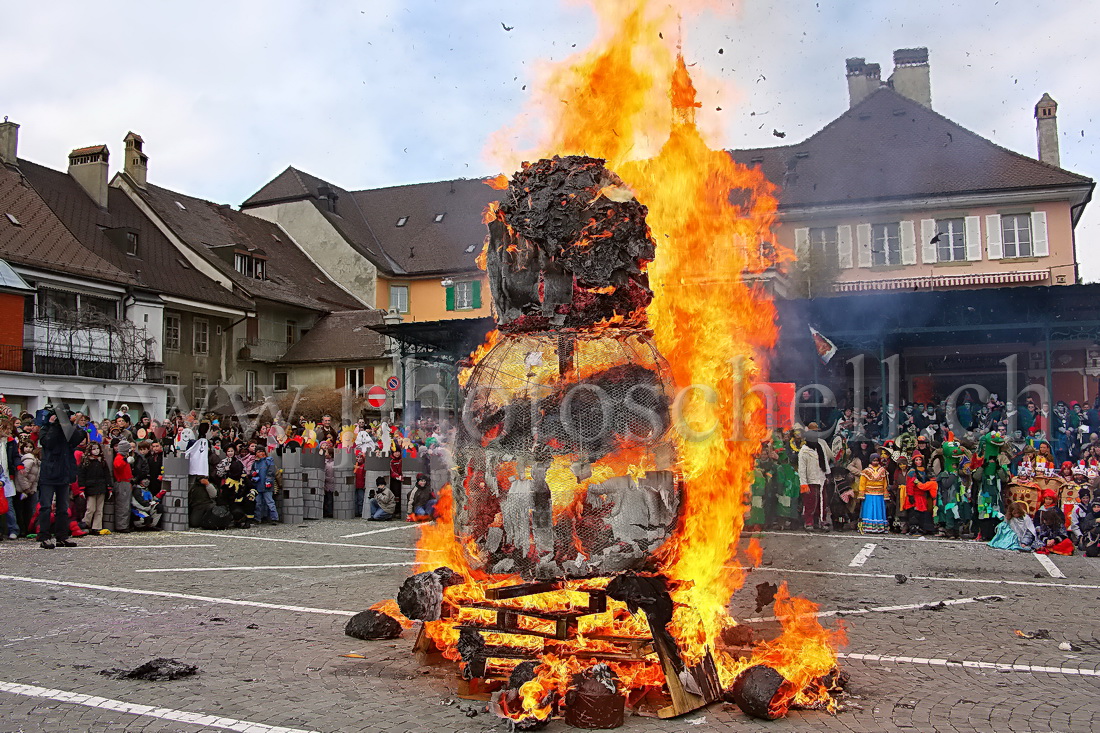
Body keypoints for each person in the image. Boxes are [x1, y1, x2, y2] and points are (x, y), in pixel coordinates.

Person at [37, 409, 87, 548]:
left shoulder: (68, 431)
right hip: (49, 474)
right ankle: (44, 536)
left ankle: (61, 536)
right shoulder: (46, 428)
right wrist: (54, 425)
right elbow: (48, 443)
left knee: (63, 508)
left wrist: (76, 424)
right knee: (46, 507)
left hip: (64, 473)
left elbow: (77, 439)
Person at [797, 423, 832, 531]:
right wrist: (804, 483)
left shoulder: (820, 447)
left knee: (822, 502)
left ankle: (821, 520)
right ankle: (809, 522)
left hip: (820, 478)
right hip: (810, 480)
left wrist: (827, 474)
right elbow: (802, 470)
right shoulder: (804, 451)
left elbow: (825, 462)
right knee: (810, 502)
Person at [78, 443, 111, 535]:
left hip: (101, 487)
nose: (96, 451)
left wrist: (109, 487)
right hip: (90, 488)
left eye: (97, 449)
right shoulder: (85, 462)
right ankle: (86, 523)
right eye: (94, 449)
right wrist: (82, 489)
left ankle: (96, 527)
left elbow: (107, 475)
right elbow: (81, 476)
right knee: (91, 508)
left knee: (99, 509)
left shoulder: (102, 462)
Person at [904, 453, 936, 535]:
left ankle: (921, 528)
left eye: (920, 459)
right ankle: (914, 528)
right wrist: (910, 495)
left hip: (922, 495)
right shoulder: (912, 472)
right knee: (914, 513)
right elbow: (910, 484)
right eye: (916, 460)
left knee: (921, 513)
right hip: (915, 494)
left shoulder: (926, 470)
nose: (918, 461)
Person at [1034, 489, 1073, 555]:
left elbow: (1063, 533)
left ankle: (1052, 547)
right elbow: (1040, 531)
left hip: (1056, 537)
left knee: (1067, 542)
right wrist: (1046, 540)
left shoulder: (1057, 511)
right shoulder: (1040, 510)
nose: (1048, 501)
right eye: (1047, 499)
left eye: (1050, 499)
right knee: (1038, 543)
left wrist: (1055, 540)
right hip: (1045, 537)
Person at [857, 453, 889, 533]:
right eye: (874, 460)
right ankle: (868, 527)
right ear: (871, 461)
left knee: (878, 510)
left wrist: (885, 492)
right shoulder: (866, 471)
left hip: (879, 494)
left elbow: (885, 483)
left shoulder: (883, 470)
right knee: (869, 510)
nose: (876, 462)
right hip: (868, 494)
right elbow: (862, 483)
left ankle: (879, 527)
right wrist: (862, 493)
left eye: (877, 461)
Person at [13, 440, 39, 537]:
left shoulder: (33, 460)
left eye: (30, 447)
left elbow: (35, 478)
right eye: (26, 447)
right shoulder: (29, 460)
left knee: (27, 511)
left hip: (29, 490)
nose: (28, 449)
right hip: (22, 490)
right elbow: (21, 475)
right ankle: (24, 530)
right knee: (23, 511)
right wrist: (27, 489)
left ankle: (26, 530)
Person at [251, 447, 278, 524]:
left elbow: (271, 471)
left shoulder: (269, 460)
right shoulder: (255, 463)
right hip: (258, 485)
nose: (260, 453)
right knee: (258, 503)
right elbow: (252, 472)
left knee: (270, 502)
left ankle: (274, 518)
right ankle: (258, 518)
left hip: (267, 485)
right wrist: (253, 475)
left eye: (262, 451)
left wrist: (268, 481)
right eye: (258, 452)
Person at [112, 440, 134, 533]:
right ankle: (121, 526)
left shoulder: (122, 457)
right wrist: (125, 460)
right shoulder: (119, 458)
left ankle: (124, 524)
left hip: (126, 483)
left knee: (125, 505)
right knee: (122, 506)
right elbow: (118, 466)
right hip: (122, 483)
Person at [354, 451, 367, 518]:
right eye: (357, 457)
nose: (359, 459)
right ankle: (355, 512)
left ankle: (360, 512)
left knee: (361, 500)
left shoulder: (363, 466)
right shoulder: (354, 465)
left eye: (360, 457)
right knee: (355, 500)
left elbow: (365, 476)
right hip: (354, 485)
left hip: (361, 485)